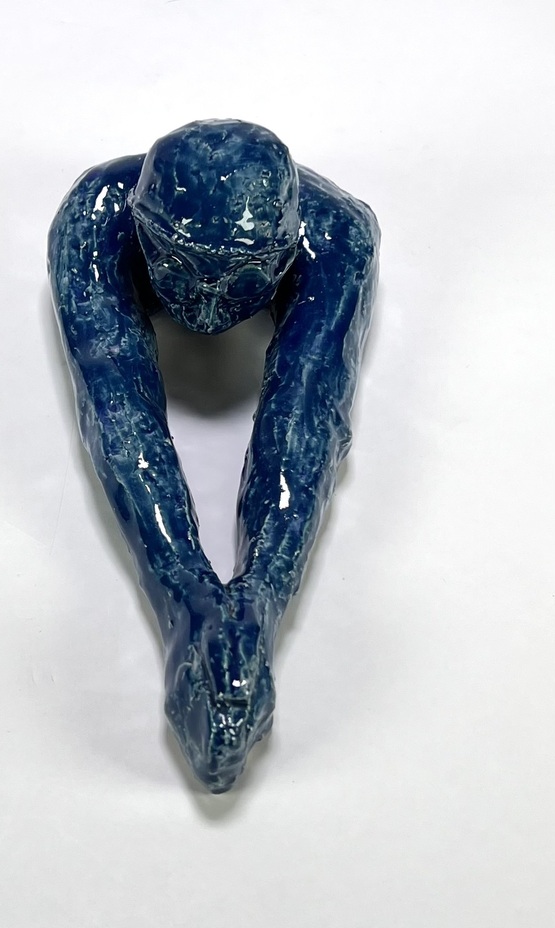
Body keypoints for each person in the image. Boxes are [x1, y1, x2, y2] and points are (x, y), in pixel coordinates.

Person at [48, 119, 379, 791]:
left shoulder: (336, 236)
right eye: (174, 268)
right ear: (141, 227)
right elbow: (117, 412)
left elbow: (304, 420)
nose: (203, 306)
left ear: (287, 252)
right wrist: (184, 599)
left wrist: (261, 598)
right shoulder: (96, 215)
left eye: (243, 281)